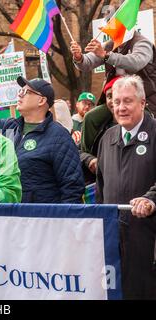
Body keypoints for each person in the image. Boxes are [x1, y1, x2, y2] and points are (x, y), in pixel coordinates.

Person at [96, 75, 156, 299]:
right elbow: (101, 188)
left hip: (148, 240)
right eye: (116, 101)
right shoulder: (107, 138)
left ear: (142, 103)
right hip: (114, 237)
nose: (120, 107)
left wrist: (151, 199)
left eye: (128, 101)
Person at [70, 31, 156, 116]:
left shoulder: (142, 42)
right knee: (91, 117)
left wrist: (106, 55)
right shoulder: (110, 45)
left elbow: (136, 62)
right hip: (116, 99)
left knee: (143, 121)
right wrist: (79, 57)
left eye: (113, 29)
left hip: (144, 99)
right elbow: (87, 63)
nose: (110, 33)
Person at [80, 77, 119, 185]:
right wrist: (90, 159)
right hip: (100, 186)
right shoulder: (99, 125)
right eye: (109, 96)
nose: (114, 101)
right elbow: (79, 151)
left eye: (118, 95)